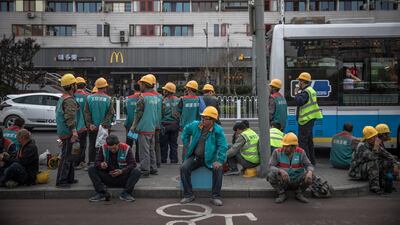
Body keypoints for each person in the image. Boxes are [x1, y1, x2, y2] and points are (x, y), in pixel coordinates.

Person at [180, 106, 228, 206]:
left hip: (211, 159)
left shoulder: (218, 130)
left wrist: (219, 160)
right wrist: (186, 143)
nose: (203, 120)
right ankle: (188, 195)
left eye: (206, 118)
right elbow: (185, 131)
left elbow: (223, 146)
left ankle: (216, 196)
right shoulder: (196, 125)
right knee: (184, 167)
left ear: (213, 120)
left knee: (218, 169)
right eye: (203, 117)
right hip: (195, 157)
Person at [88, 135, 141, 202]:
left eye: (114, 148)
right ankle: (102, 193)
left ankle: (126, 193)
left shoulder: (126, 148)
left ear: (118, 144)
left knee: (137, 171)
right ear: (107, 145)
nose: (113, 150)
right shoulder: (103, 148)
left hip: (122, 177)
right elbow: (96, 162)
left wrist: (122, 171)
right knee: (91, 169)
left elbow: (133, 164)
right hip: (108, 177)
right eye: (110, 149)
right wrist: (101, 165)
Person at [267, 132, 314, 204]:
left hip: (297, 180)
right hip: (284, 181)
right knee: (270, 175)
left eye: (287, 146)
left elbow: (309, 165)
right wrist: (280, 171)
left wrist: (310, 172)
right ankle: (282, 194)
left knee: (311, 176)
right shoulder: (277, 152)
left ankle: (299, 193)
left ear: (294, 147)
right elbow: (270, 166)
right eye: (284, 145)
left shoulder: (301, 152)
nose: (284, 148)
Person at [130, 74, 161, 177]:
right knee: (151, 149)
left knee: (144, 151)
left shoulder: (142, 97)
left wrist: (133, 127)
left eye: (141, 84)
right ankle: (153, 168)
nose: (140, 86)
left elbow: (138, 114)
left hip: (143, 127)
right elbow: (157, 113)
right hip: (152, 127)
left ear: (144, 85)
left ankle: (144, 170)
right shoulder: (156, 98)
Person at [349, 126, 391, 194]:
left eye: (376, 136)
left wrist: (396, 163)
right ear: (368, 139)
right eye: (374, 137)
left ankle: (383, 184)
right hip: (356, 171)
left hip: (365, 168)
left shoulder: (373, 144)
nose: (376, 138)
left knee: (385, 161)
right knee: (373, 162)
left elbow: (387, 155)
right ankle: (375, 188)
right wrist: (376, 147)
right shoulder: (361, 146)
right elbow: (372, 157)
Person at [85, 77, 115, 167]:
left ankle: (91, 162)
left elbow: (87, 113)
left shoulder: (89, 98)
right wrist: (104, 124)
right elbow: (110, 113)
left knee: (92, 144)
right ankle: (104, 162)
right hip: (104, 127)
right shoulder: (108, 99)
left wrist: (90, 124)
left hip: (93, 127)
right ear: (105, 87)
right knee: (105, 145)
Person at [55, 73, 79, 188]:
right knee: (66, 157)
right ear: (71, 86)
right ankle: (62, 180)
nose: (76, 86)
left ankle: (70, 178)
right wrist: (74, 132)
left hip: (63, 131)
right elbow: (69, 118)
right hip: (67, 132)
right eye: (75, 84)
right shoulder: (69, 100)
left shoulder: (62, 98)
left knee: (70, 156)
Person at [294, 72, 323, 165]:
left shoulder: (305, 92)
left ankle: (305, 163)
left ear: (302, 81)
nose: (298, 83)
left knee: (303, 143)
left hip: (305, 120)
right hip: (310, 119)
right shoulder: (311, 90)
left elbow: (299, 101)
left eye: (299, 81)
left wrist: (296, 92)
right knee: (309, 142)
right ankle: (311, 161)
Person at [177, 80, 200, 160]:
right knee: (195, 144)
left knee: (186, 145)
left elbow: (177, 112)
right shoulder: (199, 100)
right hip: (197, 125)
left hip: (185, 126)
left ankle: (185, 161)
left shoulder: (183, 99)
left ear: (189, 89)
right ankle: (193, 160)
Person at [375, 124, 399, 192]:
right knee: (390, 172)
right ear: (382, 135)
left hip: (381, 165)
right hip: (379, 167)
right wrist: (395, 164)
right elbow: (384, 156)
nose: (388, 136)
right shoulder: (377, 143)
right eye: (387, 134)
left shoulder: (380, 141)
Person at [160, 82, 180, 164]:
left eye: (165, 90)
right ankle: (174, 159)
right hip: (175, 124)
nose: (164, 91)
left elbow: (160, 114)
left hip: (165, 124)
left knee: (163, 144)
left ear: (167, 91)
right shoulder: (178, 100)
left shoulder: (163, 101)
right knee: (174, 144)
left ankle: (163, 159)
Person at [74, 77, 89, 169]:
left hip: (72, 125)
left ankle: (74, 161)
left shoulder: (72, 96)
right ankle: (81, 161)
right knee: (82, 144)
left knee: (74, 144)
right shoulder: (87, 96)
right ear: (84, 86)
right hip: (82, 125)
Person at [124, 83, 140, 162]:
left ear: (134, 89)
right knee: (138, 143)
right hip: (139, 124)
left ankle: (128, 158)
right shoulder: (143, 98)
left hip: (130, 123)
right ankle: (138, 158)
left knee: (129, 142)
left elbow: (125, 110)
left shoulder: (128, 99)